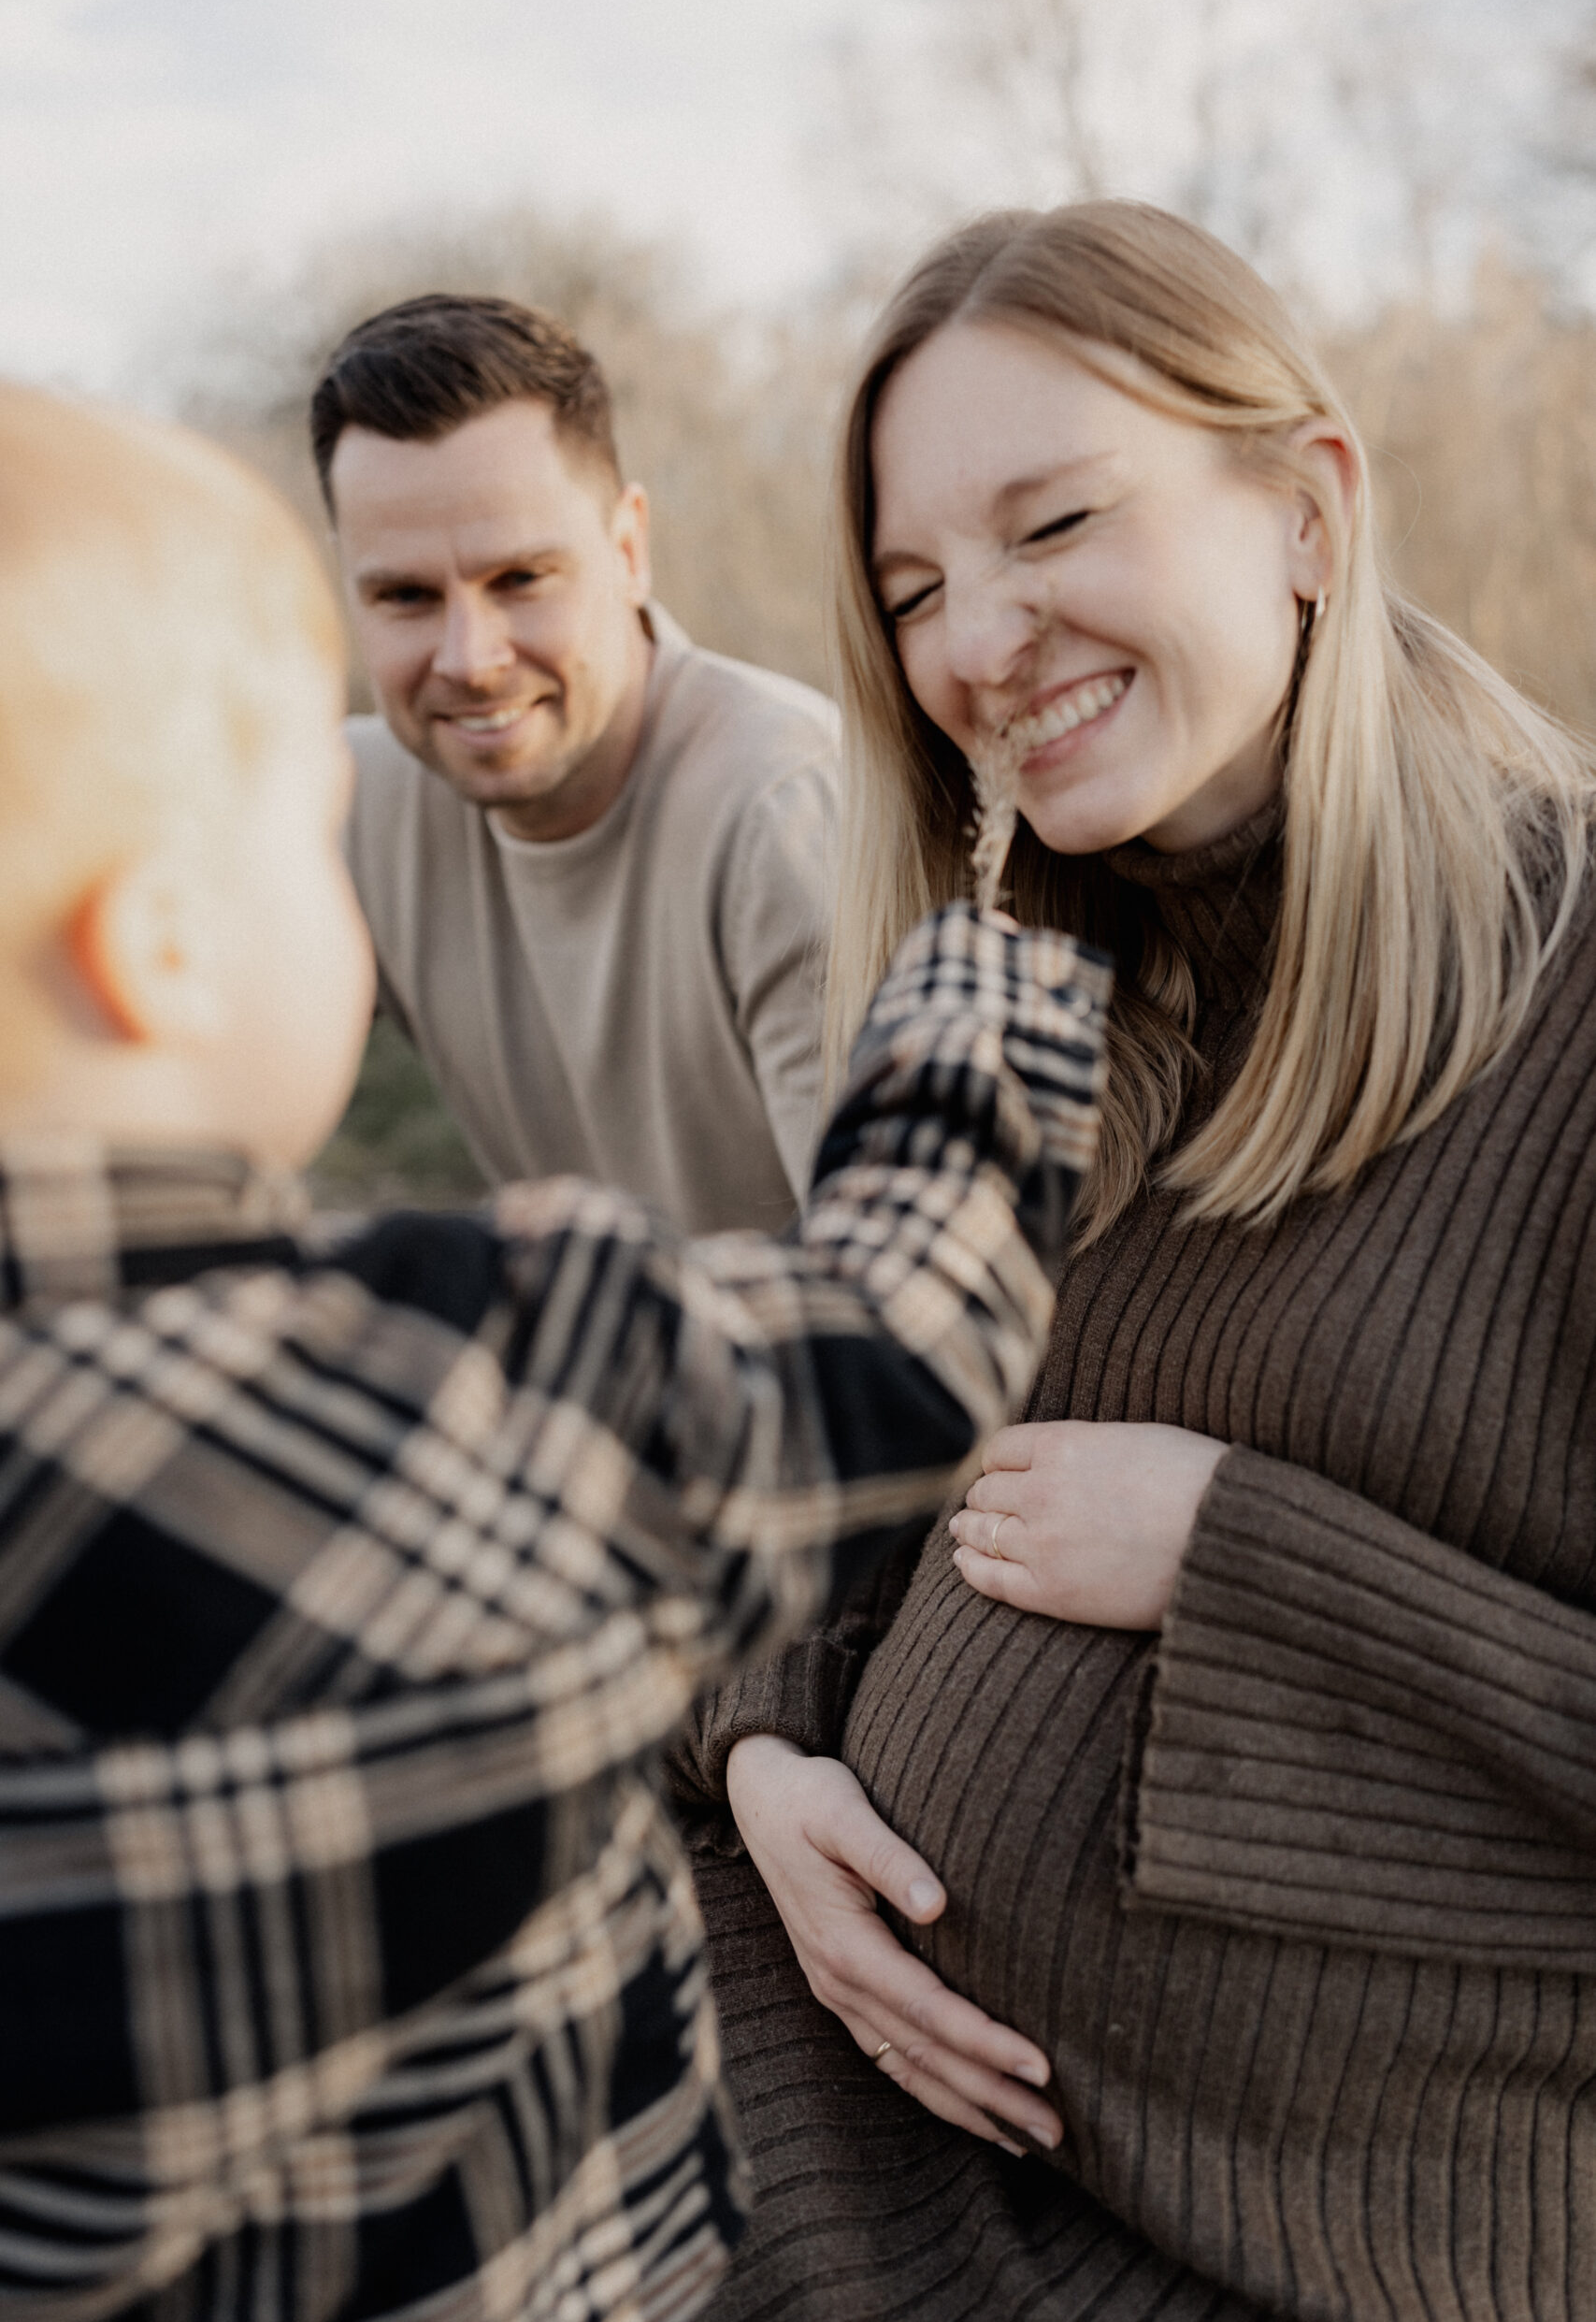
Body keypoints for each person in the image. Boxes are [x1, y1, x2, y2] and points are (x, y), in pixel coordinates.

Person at [0, 382, 1112, 2322]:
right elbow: (903, 1333)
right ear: (160, 940)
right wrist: (984, 965)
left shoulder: (752, 795)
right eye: (307, 827)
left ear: (623, 548)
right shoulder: (455, 1381)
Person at [668, 201, 1596, 2322]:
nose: (975, 639)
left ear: (1300, 504)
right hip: (844, 2045)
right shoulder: (1028, 999)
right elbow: (816, 1490)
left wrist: (1242, 1557)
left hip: (1274, 2212)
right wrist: (764, 1757)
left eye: (1050, 520)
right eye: (910, 589)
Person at [310, 294, 837, 1235]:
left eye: (520, 579)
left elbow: (891, 1322)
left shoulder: (786, 812)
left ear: (629, 550)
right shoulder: (351, 802)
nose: (470, 659)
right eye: (404, 596)